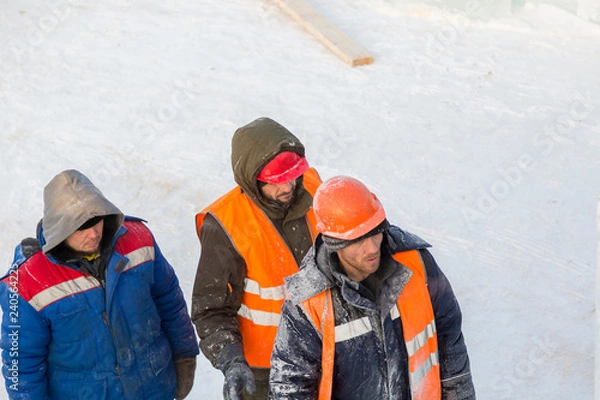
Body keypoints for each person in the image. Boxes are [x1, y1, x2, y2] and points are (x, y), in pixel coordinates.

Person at [269, 176, 476, 400]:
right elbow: (289, 386)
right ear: (335, 243)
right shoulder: (308, 302)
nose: (372, 248)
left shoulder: (416, 263)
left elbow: (449, 335)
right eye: (358, 240)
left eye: (375, 232)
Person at [0, 169, 199, 400]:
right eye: (81, 227)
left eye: (97, 221)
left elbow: (169, 300)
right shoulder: (27, 283)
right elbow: (21, 363)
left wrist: (185, 353)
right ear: (60, 228)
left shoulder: (138, 240)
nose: (94, 234)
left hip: (152, 388)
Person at [191, 117, 322, 400]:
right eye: (275, 181)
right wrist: (231, 361)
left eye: (293, 174)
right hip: (265, 373)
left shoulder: (312, 188)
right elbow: (210, 310)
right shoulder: (226, 226)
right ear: (252, 180)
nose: (288, 186)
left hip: (326, 352)